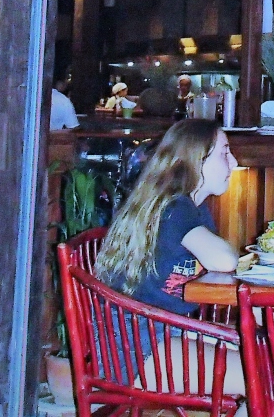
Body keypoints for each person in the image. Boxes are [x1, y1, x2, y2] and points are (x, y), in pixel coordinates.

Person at [94, 119, 244, 395]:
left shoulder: (191, 207)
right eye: (225, 153)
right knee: (269, 371)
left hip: (159, 331)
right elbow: (224, 260)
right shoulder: (176, 208)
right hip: (135, 347)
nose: (233, 163)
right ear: (196, 160)